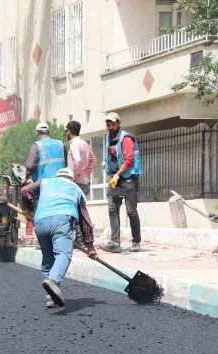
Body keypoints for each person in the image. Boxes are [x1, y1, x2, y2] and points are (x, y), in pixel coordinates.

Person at [21, 167, 97, 308]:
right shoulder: (75, 188)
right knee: (63, 254)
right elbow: (84, 220)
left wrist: (29, 208)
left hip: (41, 222)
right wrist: (90, 246)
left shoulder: (45, 182)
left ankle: (51, 298)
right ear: (71, 179)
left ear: (57, 176)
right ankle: (53, 281)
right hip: (61, 220)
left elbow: (25, 190)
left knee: (48, 259)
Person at [101, 112, 142, 253]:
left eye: (113, 124)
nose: (110, 127)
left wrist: (118, 175)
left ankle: (136, 242)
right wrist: (106, 164)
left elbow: (129, 160)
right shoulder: (109, 138)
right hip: (114, 179)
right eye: (108, 124)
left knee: (131, 211)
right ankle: (115, 242)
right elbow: (112, 156)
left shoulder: (126, 138)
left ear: (119, 123)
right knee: (112, 209)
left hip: (127, 179)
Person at [65, 120, 97, 196]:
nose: (66, 133)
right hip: (85, 182)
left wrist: (72, 177)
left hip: (76, 183)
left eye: (66, 131)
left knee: (74, 207)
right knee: (81, 207)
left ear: (69, 131)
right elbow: (93, 160)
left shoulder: (74, 144)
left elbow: (77, 160)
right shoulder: (84, 143)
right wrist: (87, 173)